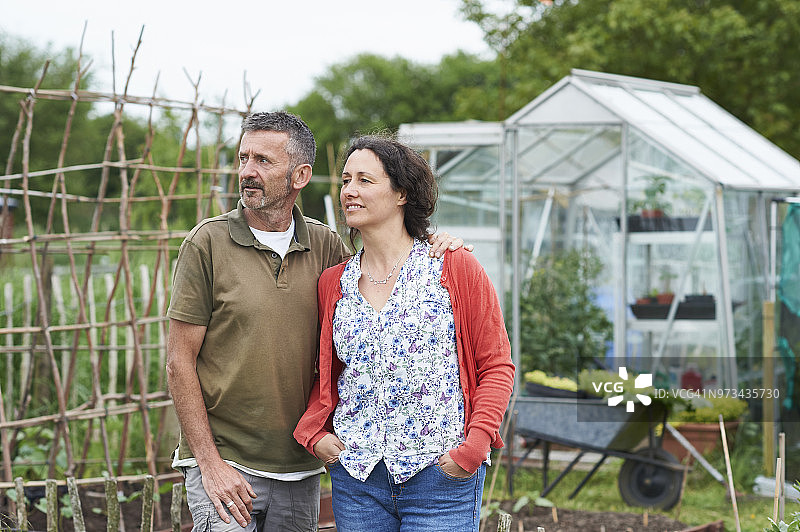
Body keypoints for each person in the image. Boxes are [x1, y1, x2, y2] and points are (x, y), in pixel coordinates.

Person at [166, 112, 464, 532]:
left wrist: (434, 241)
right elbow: (179, 363)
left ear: (300, 175)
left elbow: (383, 272)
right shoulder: (207, 244)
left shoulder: (325, 246)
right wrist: (208, 463)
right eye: (243, 158)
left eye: (263, 161)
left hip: (300, 467)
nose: (247, 171)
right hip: (227, 462)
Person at [294, 135, 515, 532]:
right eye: (345, 181)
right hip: (357, 478)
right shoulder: (333, 283)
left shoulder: (452, 267)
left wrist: (474, 447)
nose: (349, 191)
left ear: (402, 194)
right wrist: (314, 434)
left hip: (440, 476)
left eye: (365, 180)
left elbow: (496, 365)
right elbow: (325, 374)